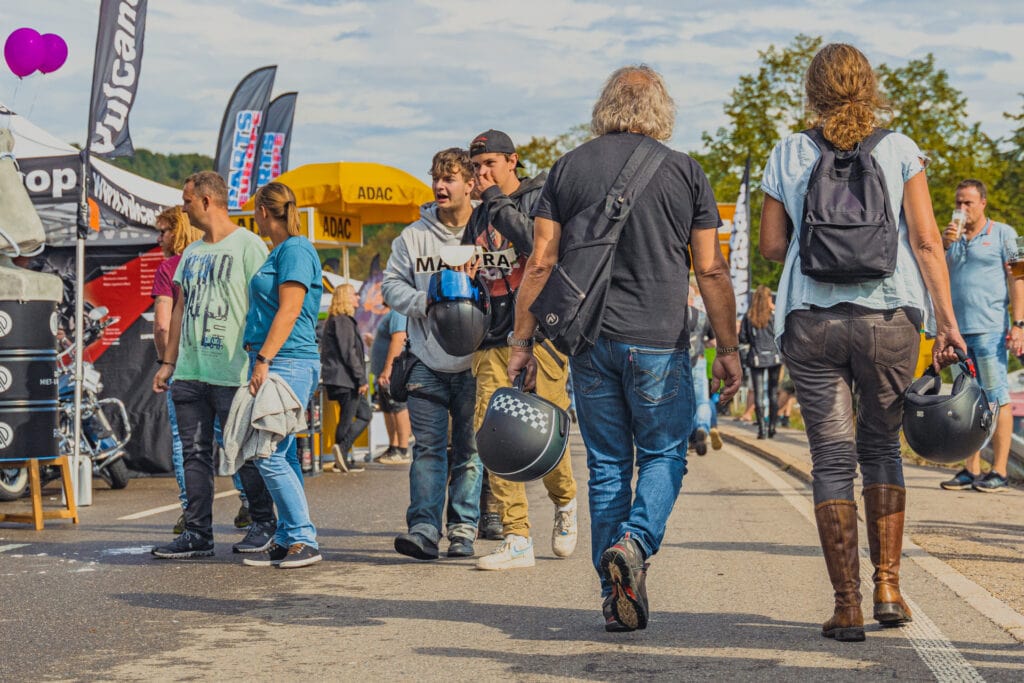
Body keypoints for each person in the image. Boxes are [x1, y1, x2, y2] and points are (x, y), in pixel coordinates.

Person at [508, 65, 743, 631]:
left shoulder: (568, 168)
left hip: (589, 341)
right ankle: (634, 544)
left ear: (605, 106)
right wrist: (729, 347)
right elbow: (711, 268)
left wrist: (521, 342)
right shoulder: (686, 171)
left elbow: (540, 262)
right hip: (660, 341)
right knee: (663, 455)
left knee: (608, 466)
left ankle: (613, 599)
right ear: (661, 109)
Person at [759, 43, 965, 642]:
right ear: (868, 86)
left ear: (812, 90)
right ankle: (889, 589)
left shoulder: (790, 152)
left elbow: (771, 247)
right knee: (881, 449)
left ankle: (846, 605)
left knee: (831, 458)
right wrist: (947, 323)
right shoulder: (899, 149)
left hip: (811, 320)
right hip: (890, 317)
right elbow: (926, 242)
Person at [462, 129, 579, 571]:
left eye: (489, 164)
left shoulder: (538, 197)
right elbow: (478, 267)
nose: (482, 174)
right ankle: (517, 537)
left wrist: (494, 197)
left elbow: (535, 245)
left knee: (544, 427)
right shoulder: (478, 216)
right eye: (476, 167)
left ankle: (565, 500)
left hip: (541, 336)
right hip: (492, 338)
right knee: (494, 433)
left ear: (512, 161)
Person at [151, 171, 277, 559]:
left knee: (242, 451)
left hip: (233, 370)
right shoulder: (190, 253)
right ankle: (197, 533)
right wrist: (168, 362)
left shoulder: (249, 245)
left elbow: (266, 306)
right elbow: (179, 310)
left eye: (187, 201)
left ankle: (263, 523)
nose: (183, 207)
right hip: (190, 371)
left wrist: (262, 360)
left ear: (206, 201)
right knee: (194, 454)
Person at [382, 148, 483, 561]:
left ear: (470, 184)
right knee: (427, 448)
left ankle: (463, 529)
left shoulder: (489, 230)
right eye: (437, 178)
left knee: (470, 452)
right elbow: (390, 286)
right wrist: (425, 301)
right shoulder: (413, 236)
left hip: (476, 363)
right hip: (426, 360)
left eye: (450, 179)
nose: (440, 186)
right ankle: (423, 529)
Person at [235, 181, 324, 568]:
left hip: (287, 361)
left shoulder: (295, 250)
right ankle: (289, 537)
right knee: (281, 453)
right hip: (278, 359)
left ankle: (303, 537)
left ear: (261, 211)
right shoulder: (283, 250)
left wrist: (263, 358)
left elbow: (290, 309)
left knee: (266, 452)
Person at [939, 179, 1024, 492]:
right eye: (958, 202)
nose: (962, 208)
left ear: (983, 203)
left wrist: (1019, 323)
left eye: (968, 203)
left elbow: (1020, 277)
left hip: (990, 329)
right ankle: (970, 469)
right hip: (957, 333)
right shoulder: (950, 238)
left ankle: (998, 470)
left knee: (997, 397)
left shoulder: (1006, 233)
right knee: (965, 400)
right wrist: (944, 244)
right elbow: (934, 275)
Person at [151, 206, 202, 534]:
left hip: (182, 366)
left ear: (178, 231)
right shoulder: (208, 261)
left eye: (164, 231)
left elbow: (162, 325)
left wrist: (165, 362)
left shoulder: (169, 268)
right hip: (216, 361)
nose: (159, 239)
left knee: (186, 442)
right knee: (228, 436)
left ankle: (192, 513)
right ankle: (249, 504)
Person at [320, 284, 372, 473]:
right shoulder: (342, 320)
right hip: (346, 378)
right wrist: (361, 379)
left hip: (342, 377)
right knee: (353, 417)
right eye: (354, 294)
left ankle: (341, 456)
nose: (358, 297)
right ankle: (341, 451)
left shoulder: (337, 320)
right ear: (345, 297)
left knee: (358, 415)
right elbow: (349, 352)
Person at [369, 304, 412, 465]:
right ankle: (393, 448)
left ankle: (403, 450)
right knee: (388, 409)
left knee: (398, 408)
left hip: (391, 372)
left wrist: (388, 369)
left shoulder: (399, 311)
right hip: (384, 372)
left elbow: (399, 338)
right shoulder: (393, 312)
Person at [739, 285, 783, 439]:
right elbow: (782, 332)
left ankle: (762, 430)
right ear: (769, 298)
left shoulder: (749, 316)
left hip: (756, 357)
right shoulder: (774, 316)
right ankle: (772, 427)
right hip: (774, 357)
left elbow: (742, 338)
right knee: (773, 392)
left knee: (758, 393)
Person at [687, 282, 719, 454]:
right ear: (693, 299)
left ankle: (687, 436)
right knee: (702, 401)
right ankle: (702, 427)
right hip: (699, 360)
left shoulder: (674, 315)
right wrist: (704, 344)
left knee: (683, 401)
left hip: (680, 362)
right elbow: (713, 342)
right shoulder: (702, 316)